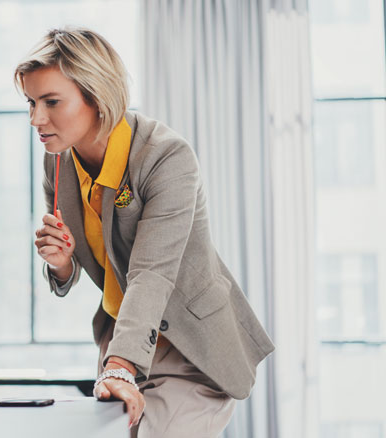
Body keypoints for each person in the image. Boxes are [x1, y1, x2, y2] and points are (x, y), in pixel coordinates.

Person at [15, 28, 274, 437]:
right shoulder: (58, 162)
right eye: (31, 102)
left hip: (189, 349)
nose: (36, 119)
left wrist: (120, 365)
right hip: (121, 340)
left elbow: (152, 273)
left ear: (96, 97)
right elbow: (81, 267)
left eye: (51, 102)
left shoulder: (166, 157)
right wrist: (62, 265)